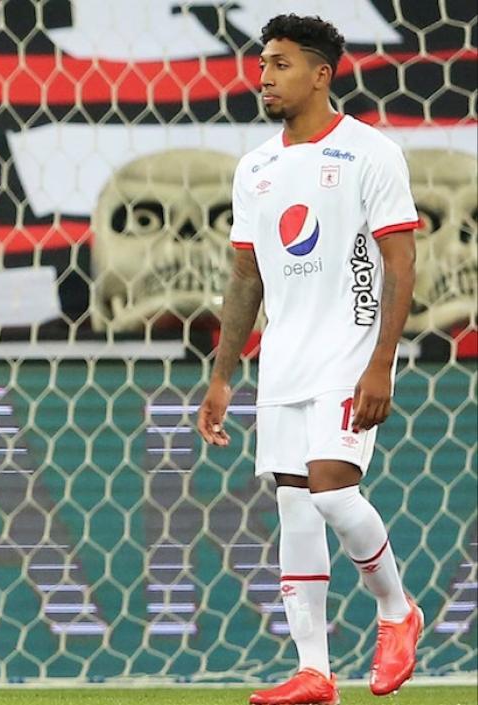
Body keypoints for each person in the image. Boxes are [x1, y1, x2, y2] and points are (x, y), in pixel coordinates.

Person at [196, 14, 423, 705]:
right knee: (295, 505)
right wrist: (223, 375)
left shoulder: (371, 153)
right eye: (263, 63)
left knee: (330, 491)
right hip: (284, 360)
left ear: (322, 74)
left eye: (281, 64)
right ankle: (314, 671)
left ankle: (397, 611)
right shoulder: (256, 168)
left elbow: (400, 262)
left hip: (350, 355)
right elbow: (245, 278)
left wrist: (381, 362)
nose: (264, 77)